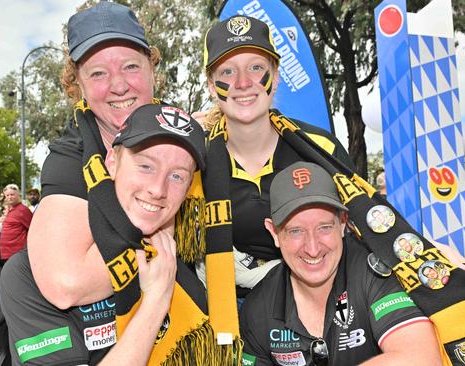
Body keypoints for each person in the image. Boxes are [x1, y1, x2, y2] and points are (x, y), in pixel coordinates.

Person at [0, 103, 205, 365]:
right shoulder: (34, 273)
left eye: (177, 176)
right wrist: (156, 300)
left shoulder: (179, 260)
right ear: (112, 163)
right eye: (145, 166)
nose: (158, 189)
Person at [199, 15, 353, 298]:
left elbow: (363, 227)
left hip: (320, 300)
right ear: (211, 85)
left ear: (276, 75)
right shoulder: (196, 158)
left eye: (256, 68)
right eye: (228, 72)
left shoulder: (318, 148)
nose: (243, 83)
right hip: (226, 314)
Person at [28, 0, 161, 311]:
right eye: (99, 73)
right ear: (79, 84)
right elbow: (66, 285)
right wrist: (165, 237)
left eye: (130, 66)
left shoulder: (184, 137)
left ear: (151, 67)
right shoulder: (70, 158)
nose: (118, 85)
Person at [240, 162, 440, 365]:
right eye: (295, 231)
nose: (313, 248)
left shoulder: (374, 272)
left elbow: (422, 358)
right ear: (274, 232)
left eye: (324, 227)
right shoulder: (258, 307)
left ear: (343, 222)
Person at [0, 184, 32, 264]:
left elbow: (33, 229)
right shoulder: (10, 210)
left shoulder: (23, 210)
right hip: (6, 253)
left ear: (18, 195)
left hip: (17, 254)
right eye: (7, 195)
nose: (9, 197)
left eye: (12, 194)